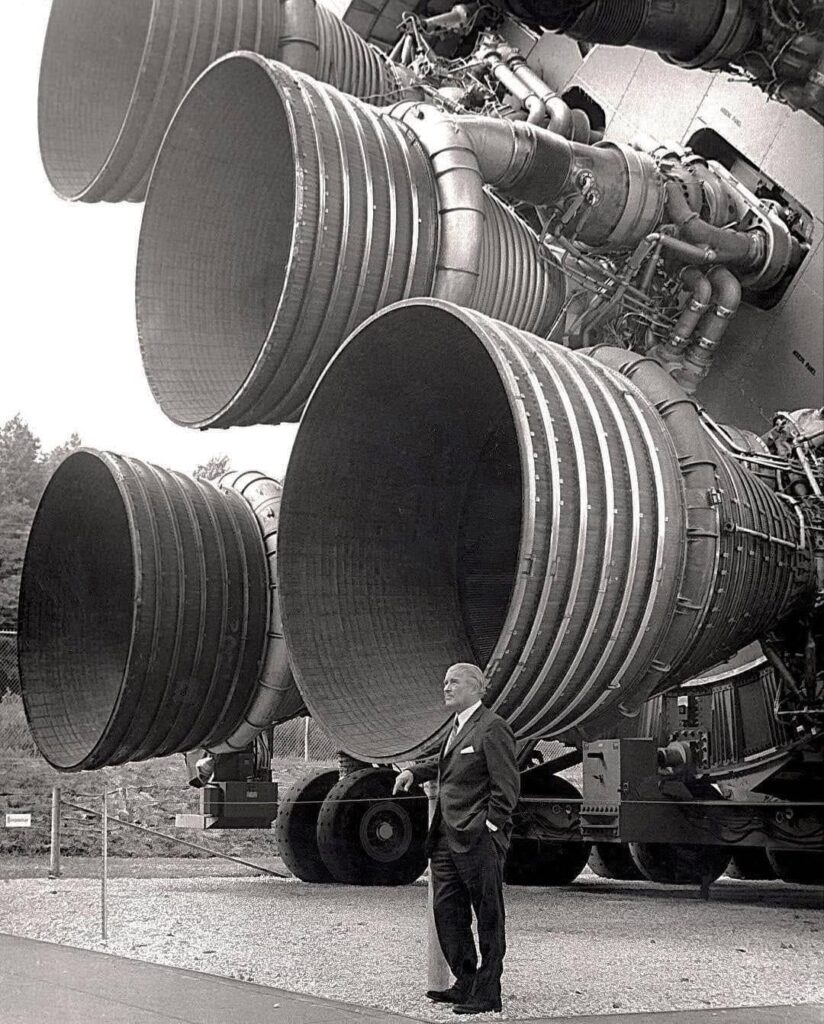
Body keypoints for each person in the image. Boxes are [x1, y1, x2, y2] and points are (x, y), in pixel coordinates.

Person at [393, 662, 520, 1015]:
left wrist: (491, 828)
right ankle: (465, 982)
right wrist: (413, 771)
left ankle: (488, 991)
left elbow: (507, 788)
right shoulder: (458, 727)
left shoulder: (493, 728)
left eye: (454, 682)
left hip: (478, 838)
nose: (446, 688)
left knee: (488, 914)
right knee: (447, 910)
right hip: (447, 838)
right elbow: (448, 763)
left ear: (477, 688)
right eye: (445, 681)